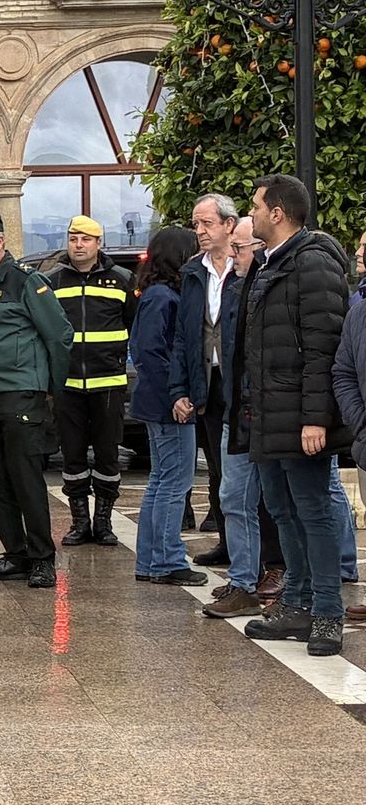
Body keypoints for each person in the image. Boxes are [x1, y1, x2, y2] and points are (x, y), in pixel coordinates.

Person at [232, 173, 352, 656]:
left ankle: (327, 612)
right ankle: (298, 604)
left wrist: (316, 418)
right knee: (282, 510)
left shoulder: (313, 264)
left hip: (300, 417)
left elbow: (324, 349)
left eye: (257, 206)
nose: (253, 213)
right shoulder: (269, 264)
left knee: (314, 512)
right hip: (268, 413)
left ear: (277, 213)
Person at [0, 213, 73, 588]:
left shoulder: (26, 281)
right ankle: (16, 553)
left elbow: (59, 337)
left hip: (21, 395)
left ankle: (42, 558)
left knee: (25, 480)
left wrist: (51, 391)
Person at [49, 216, 136, 546]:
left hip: (108, 382)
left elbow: (131, 322)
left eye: (86, 239)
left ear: (98, 243)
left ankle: (103, 522)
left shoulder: (121, 280)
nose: (78, 244)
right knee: (71, 456)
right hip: (68, 385)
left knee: (107, 456)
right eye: (73, 238)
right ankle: (79, 521)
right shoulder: (53, 281)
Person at [128, 227, 208, 587]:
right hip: (167, 404)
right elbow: (150, 351)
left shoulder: (155, 294)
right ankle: (166, 559)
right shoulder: (164, 297)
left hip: (156, 401)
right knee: (175, 482)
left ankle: (150, 560)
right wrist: (177, 395)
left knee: (161, 481)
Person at [169, 194, 239, 566]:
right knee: (215, 467)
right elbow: (184, 335)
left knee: (244, 470)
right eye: (196, 224)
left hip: (240, 383)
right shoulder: (194, 273)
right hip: (208, 383)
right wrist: (180, 389)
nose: (199, 231)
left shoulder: (248, 267)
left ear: (229, 224)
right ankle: (227, 543)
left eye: (206, 223)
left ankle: (261, 556)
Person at [205, 217, 266, 617]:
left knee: (287, 504)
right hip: (237, 409)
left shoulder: (269, 286)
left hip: (265, 411)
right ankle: (244, 580)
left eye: (240, 248)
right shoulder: (236, 286)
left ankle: (294, 585)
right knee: (233, 497)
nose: (232, 254)